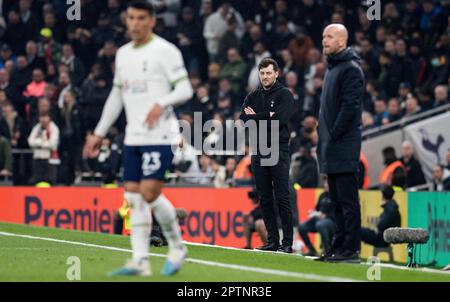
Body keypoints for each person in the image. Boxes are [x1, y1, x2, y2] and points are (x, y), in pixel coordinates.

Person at [83, 2, 193, 277]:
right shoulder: (122, 55)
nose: (135, 23)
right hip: (134, 135)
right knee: (133, 197)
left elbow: (185, 89)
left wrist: (161, 102)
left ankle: (177, 247)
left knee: (149, 193)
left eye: (141, 18)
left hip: (160, 134)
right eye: (131, 18)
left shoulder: (166, 51)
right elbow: (116, 96)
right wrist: (99, 132)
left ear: (152, 21)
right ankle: (140, 259)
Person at [317, 24, 364, 263]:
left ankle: (351, 249)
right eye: (324, 36)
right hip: (331, 145)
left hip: (343, 145)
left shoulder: (351, 69)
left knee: (347, 201)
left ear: (342, 41)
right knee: (335, 201)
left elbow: (350, 107)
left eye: (330, 36)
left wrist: (333, 133)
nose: (324, 40)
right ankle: (338, 246)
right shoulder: (333, 68)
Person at [240, 58, 296, 253]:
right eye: (262, 73)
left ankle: (287, 243)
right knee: (264, 197)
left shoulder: (285, 95)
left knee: (282, 196)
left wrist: (256, 116)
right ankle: (272, 241)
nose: (265, 76)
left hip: (278, 149)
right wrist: (267, 115)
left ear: (276, 74)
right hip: (258, 149)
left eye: (269, 73)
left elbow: (280, 120)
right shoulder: (253, 95)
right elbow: (244, 120)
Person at [298, 177, 335, 257]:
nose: (325, 185)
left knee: (321, 224)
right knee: (301, 227)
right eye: (324, 183)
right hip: (319, 220)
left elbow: (338, 214)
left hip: (332, 222)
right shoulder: (322, 195)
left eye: (327, 183)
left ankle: (327, 250)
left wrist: (326, 216)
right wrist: (314, 213)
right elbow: (317, 209)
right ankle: (311, 249)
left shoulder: (336, 196)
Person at [27, 113, 60, 185]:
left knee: (50, 182)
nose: (43, 119)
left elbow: (52, 144)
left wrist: (38, 144)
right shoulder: (37, 127)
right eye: (41, 117)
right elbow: (30, 141)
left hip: (49, 160)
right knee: (36, 182)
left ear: (49, 118)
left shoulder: (53, 128)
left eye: (45, 117)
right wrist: (42, 142)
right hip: (37, 159)